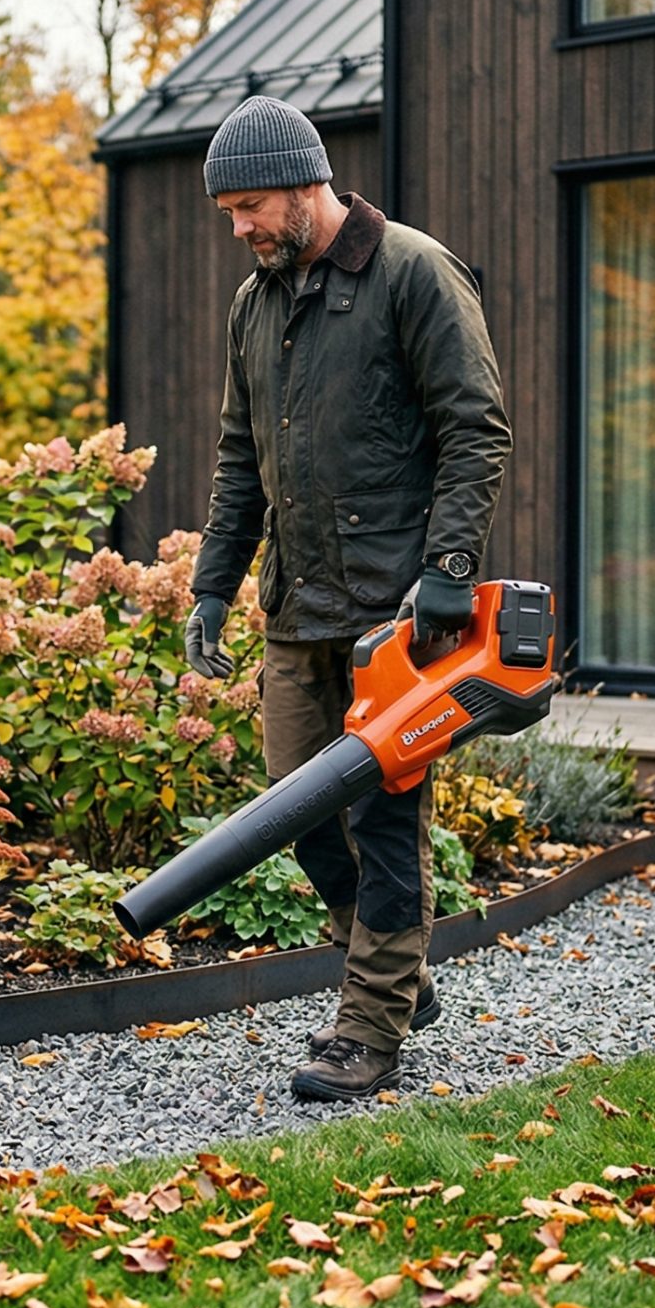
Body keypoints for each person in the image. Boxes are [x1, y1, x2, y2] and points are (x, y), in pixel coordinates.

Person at [182, 94, 511, 1101]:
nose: (237, 229)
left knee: (381, 820)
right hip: (297, 609)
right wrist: (211, 585)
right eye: (228, 212)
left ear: (300, 183)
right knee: (294, 813)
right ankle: (399, 972)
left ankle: (366, 1026)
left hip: (395, 618)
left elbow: (475, 428)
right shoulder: (258, 302)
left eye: (247, 208)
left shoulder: (412, 271)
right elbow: (243, 458)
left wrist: (446, 574)